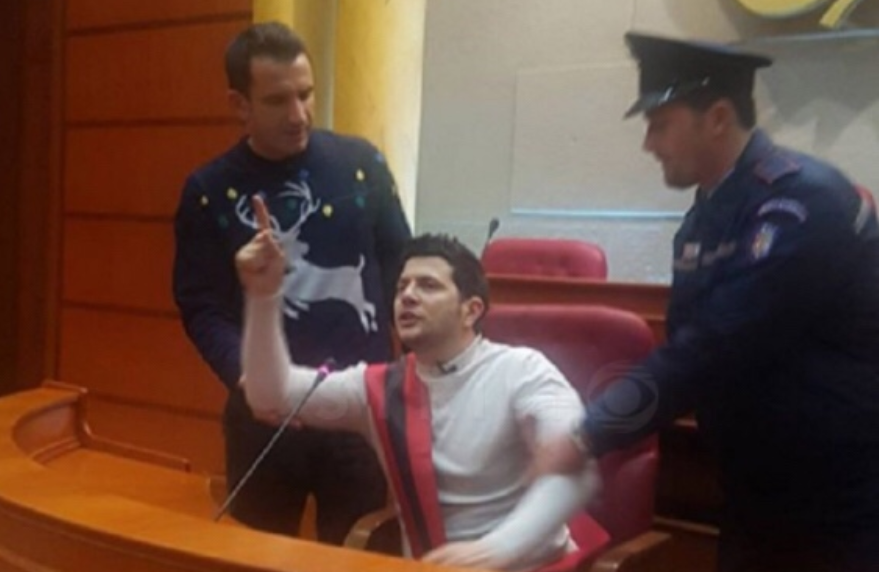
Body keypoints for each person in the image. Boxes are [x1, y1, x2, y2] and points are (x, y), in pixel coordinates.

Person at [541, 33, 879, 572]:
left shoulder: (801, 203)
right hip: (755, 493)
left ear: (717, 117)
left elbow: (715, 346)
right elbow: (690, 340)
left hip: (839, 502)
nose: (649, 143)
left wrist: (590, 433)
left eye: (660, 123)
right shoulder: (707, 214)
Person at [235, 199, 600, 571]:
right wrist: (263, 295)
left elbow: (577, 468)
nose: (407, 295)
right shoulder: (378, 386)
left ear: (471, 311)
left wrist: (495, 551)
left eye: (428, 286)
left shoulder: (523, 371)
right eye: (402, 287)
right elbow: (269, 394)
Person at [172, 21, 411, 543]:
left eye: (306, 94)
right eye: (278, 100)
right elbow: (201, 306)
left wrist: (419, 379)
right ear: (239, 105)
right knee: (254, 555)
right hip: (263, 418)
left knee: (356, 555)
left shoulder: (362, 166)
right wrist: (247, 378)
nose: (299, 114)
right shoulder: (208, 191)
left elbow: (403, 272)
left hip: (357, 412)